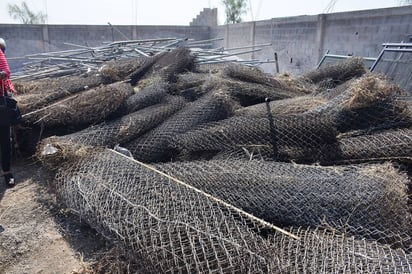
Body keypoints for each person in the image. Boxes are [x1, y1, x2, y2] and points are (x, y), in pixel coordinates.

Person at [0, 37, 17, 187]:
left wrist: (2, 74)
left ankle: (7, 171)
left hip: (1, 100)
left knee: (5, 138)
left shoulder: (0, 54)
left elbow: (6, 72)